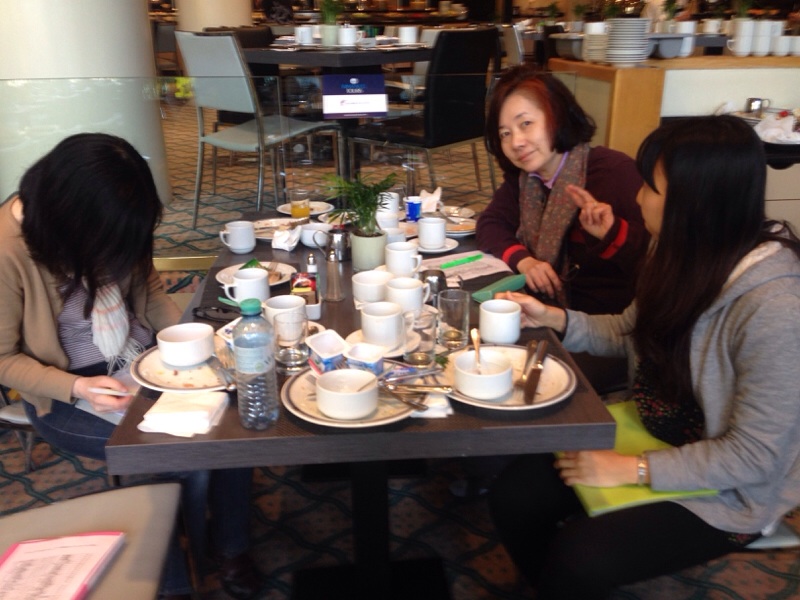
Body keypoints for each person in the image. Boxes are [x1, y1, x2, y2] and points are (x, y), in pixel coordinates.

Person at [487, 115, 800, 599]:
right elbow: (628, 331)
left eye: (650, 187)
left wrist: (631, 469)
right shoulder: (674, 249)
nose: (637, 198)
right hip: (651, 429)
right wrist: (554, 318)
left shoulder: (774, 306)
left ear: (695, 201)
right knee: (513, 498)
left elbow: (755, 455)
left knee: (580, 557)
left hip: (728, 484)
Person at [0, 133, 260, 600]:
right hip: (66, 392)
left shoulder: (114, 219)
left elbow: (151, 292)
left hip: (140, 359)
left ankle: (230, 546)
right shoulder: (7, 250)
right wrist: (78, 388)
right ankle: (179, 577)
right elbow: (3, 360)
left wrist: (189, 340)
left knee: (231, 421)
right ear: (69, 220)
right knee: (174, 451)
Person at [477, 65, 649, 316]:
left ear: (557, 116)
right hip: (544, 313)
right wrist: (525, 261)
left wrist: (613, 233)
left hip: (605, 322)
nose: (516, 142)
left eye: (526, 123)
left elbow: (661, 257)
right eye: (505, 133)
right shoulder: (526, 179)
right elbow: (490, 224)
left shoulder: (613, 173)